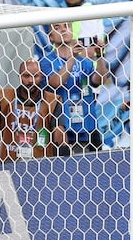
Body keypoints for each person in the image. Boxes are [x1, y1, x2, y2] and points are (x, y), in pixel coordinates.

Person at [39, 22, 108, 156]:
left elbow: (99, 80)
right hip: (62, 128)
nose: (64, 30)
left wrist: (99, 57)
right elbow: (56, 82)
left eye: (67, 26)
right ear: (50, 37)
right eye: (57, 27)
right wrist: (72, 58)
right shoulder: (46, 61)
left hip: (88, 127)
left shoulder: (84, 61)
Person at [0, 59, 64, 162]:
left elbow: (59, 130)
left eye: (35, 76)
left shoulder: (52, 101)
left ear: (42, 76)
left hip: (41, 163)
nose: (31, 80)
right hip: (9, 162)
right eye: (26, 76)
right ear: (19, 76)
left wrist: (64, 148)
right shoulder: (7, 98)